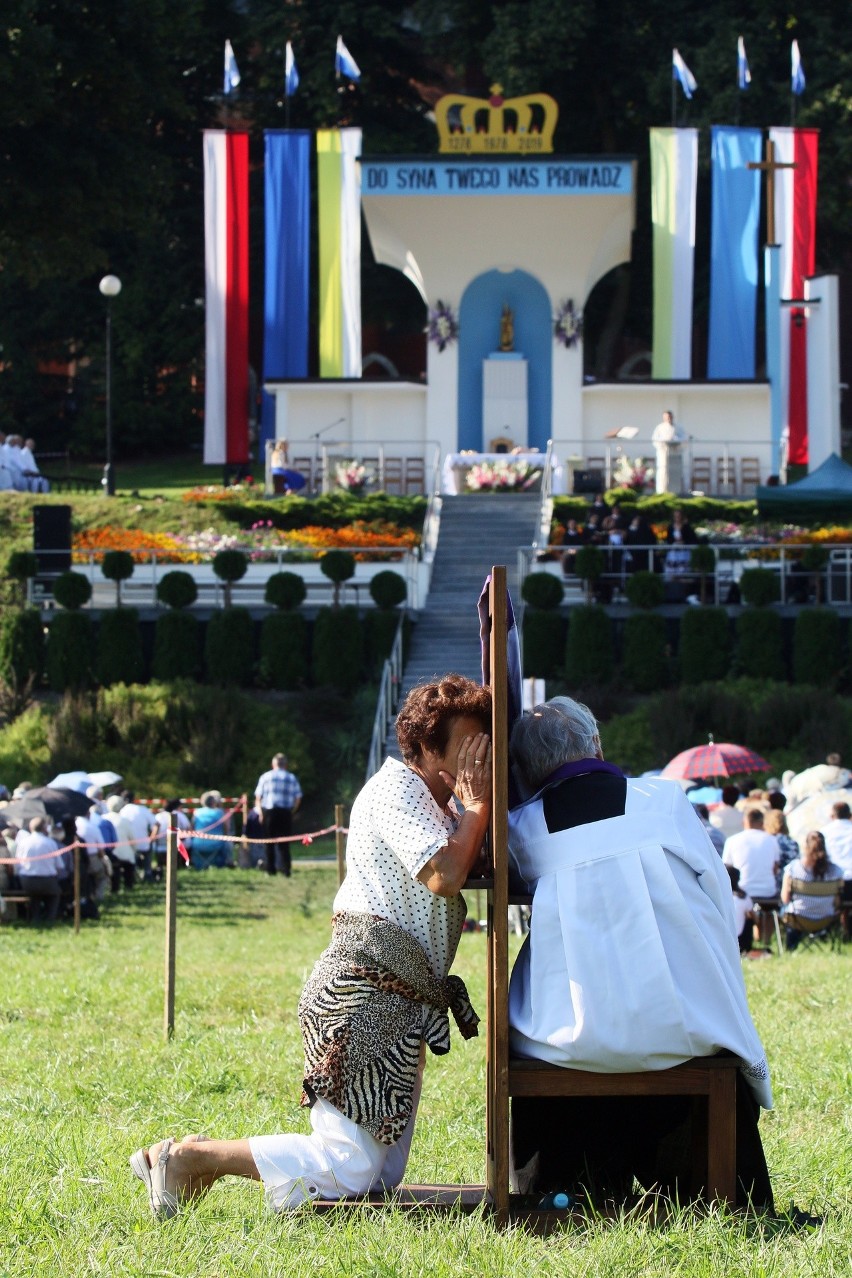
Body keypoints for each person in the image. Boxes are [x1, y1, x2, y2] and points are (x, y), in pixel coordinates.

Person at [130, 675, 492, 1217]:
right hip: (363, 993)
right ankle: (184, 1158)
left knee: (379, 1174)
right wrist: (480, 807)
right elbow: (443, 874)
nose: (475, 759)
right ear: (424, 746)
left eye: (482, 746)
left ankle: (192, 1162)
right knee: (349, 1167)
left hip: (398, 999)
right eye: (466, 746)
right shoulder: (398, 789)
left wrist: (473, 811)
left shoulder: (441, 806)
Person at [506, 697, 773, 1209]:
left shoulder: (523, 829)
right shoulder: (664, 802)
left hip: (571, 1037)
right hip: (684, 1025)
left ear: (527, 773)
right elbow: (717, 899)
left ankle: (571, 1187)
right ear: (596, 745)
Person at [780, 831, 843, 951]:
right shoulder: (836, 871)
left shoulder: (793, 869)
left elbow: (785, 899)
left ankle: (790, 948)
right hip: (826, 919)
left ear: (805, 846)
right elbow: (837, 901)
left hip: (798, 919)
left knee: (787, 910)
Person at [254, 754, 303, 877]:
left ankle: (271, 870)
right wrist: (292, 811)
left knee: (269, 843)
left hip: (269, 812)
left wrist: (260, 813)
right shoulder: (291, 778)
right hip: (285, 812)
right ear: (285, 765)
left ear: (273, 764)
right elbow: (298, 797)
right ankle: (286, 870)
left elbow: (258, 797)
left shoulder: (265, 777)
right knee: (285, 843)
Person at [723, 809, 779, 901]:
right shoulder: (772, 840)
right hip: (768, 892)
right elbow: (775, 869)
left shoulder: (732, 840)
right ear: (762, 823)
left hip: (742, 891)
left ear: (744, 822)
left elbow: (727, 870)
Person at [15, 816, 61, 924]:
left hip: (27, 881)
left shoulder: (23, 843)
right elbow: (59, 866)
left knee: (34, 896)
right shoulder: (50, 843)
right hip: (48, 880)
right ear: (45, 828)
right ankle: (50, 918)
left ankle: (35, 917)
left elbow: (17, 864)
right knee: (55, 894)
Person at [151, 798, 192, 880]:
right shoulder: (180, 815)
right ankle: (184, 863)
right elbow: (188, 829)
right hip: (177, 847)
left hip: (159, 848)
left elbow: (154, 834)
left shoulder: (158, 816)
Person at [190, 791, 232, 869]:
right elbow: (226, 829)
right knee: (228, 843)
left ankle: (194, 863)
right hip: (216, 844)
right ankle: (226, 863)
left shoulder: (197, 812)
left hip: (197, 844)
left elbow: (191, 828)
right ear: (213, 802)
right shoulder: (219, 812)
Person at [652, 410, 686, 494]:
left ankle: (675, 492)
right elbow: (655, 440)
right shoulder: (660, 428)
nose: (669, 419)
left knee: (674, 474)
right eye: (667, 417)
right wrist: (665, 442)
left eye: (670, 417)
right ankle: (661, 493)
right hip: (664, 454)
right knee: (663, 474)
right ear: (664, 418)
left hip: (675, 454)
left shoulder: (678, 428)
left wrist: (676, 441)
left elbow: (684, 438)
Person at [727, 864, 755, 954]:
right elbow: (754, 918)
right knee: (749, 919)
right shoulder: (744, 897)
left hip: (722, 940)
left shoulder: (718, 896)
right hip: (740, 942)